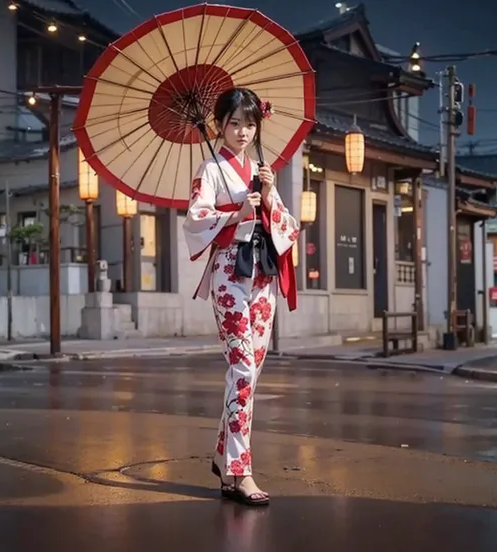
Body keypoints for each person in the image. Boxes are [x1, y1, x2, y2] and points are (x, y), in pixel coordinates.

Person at [183, 87, 299, 507]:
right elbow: (195, 220)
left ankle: (223, 458)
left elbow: (286, 227)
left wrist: (267, 196)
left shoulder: (261, 168)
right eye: (234, 123)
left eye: (250, 124)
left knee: (251, 373)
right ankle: (241, 468)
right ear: (219, 126)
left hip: (262, 276)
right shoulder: (209, 168)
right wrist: (234, 213)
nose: (243, 132)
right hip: (230, 271)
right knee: (243, 369)